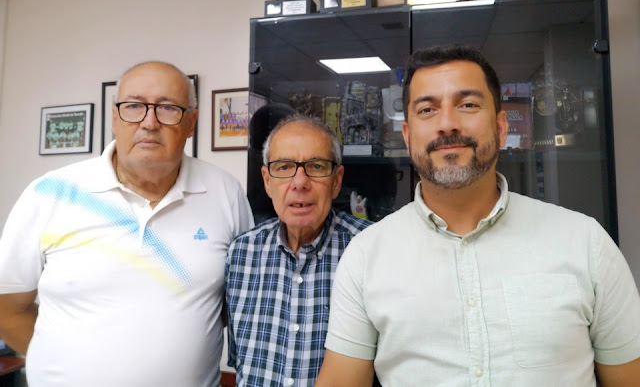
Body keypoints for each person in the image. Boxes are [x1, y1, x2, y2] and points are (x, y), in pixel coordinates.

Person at [316, 45, 640, 386]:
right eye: (427, 109)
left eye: (468, 105)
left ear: (501, 128)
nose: (447, 124)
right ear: (408, 138)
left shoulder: (585, 242)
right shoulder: (366, 256)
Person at [0, 61, 253, 387]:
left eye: (167, 108)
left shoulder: (225, 192)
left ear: (191, 123)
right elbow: (8, 309)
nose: (149, 122)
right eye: (134, 106)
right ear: (114, 119)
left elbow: (237, 302)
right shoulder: (50, 193)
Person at [225, 114, 371, 386]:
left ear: (337, 181)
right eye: (283, 167)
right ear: (267, 181)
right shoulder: (242, 254)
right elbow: (240, 361)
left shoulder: (370, 250)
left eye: (316, 166)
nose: (300, 182)